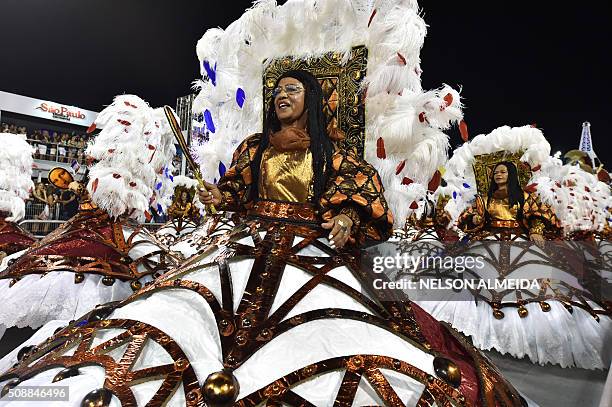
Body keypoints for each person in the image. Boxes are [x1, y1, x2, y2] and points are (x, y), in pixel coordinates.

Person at [198, 70, 392, 249]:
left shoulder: (328, 153)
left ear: (310, 99)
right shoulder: (254, 147)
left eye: (292, 90)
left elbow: (361, 189)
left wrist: (346, 219)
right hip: (255, 236)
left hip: (307, 243)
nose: (282, 95)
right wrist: (221, 197)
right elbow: (240, 189)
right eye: (278, 92)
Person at [457, 161, 557, 245]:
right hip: (490, 238)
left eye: (503, 172)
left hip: (519, 237)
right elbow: (466, 217)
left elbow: (539, 214)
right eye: (495, 173)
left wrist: (536, 231)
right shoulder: (484, 199)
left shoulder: (525, 196)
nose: (498, 175)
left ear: (511, 174)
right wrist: (473, 219)